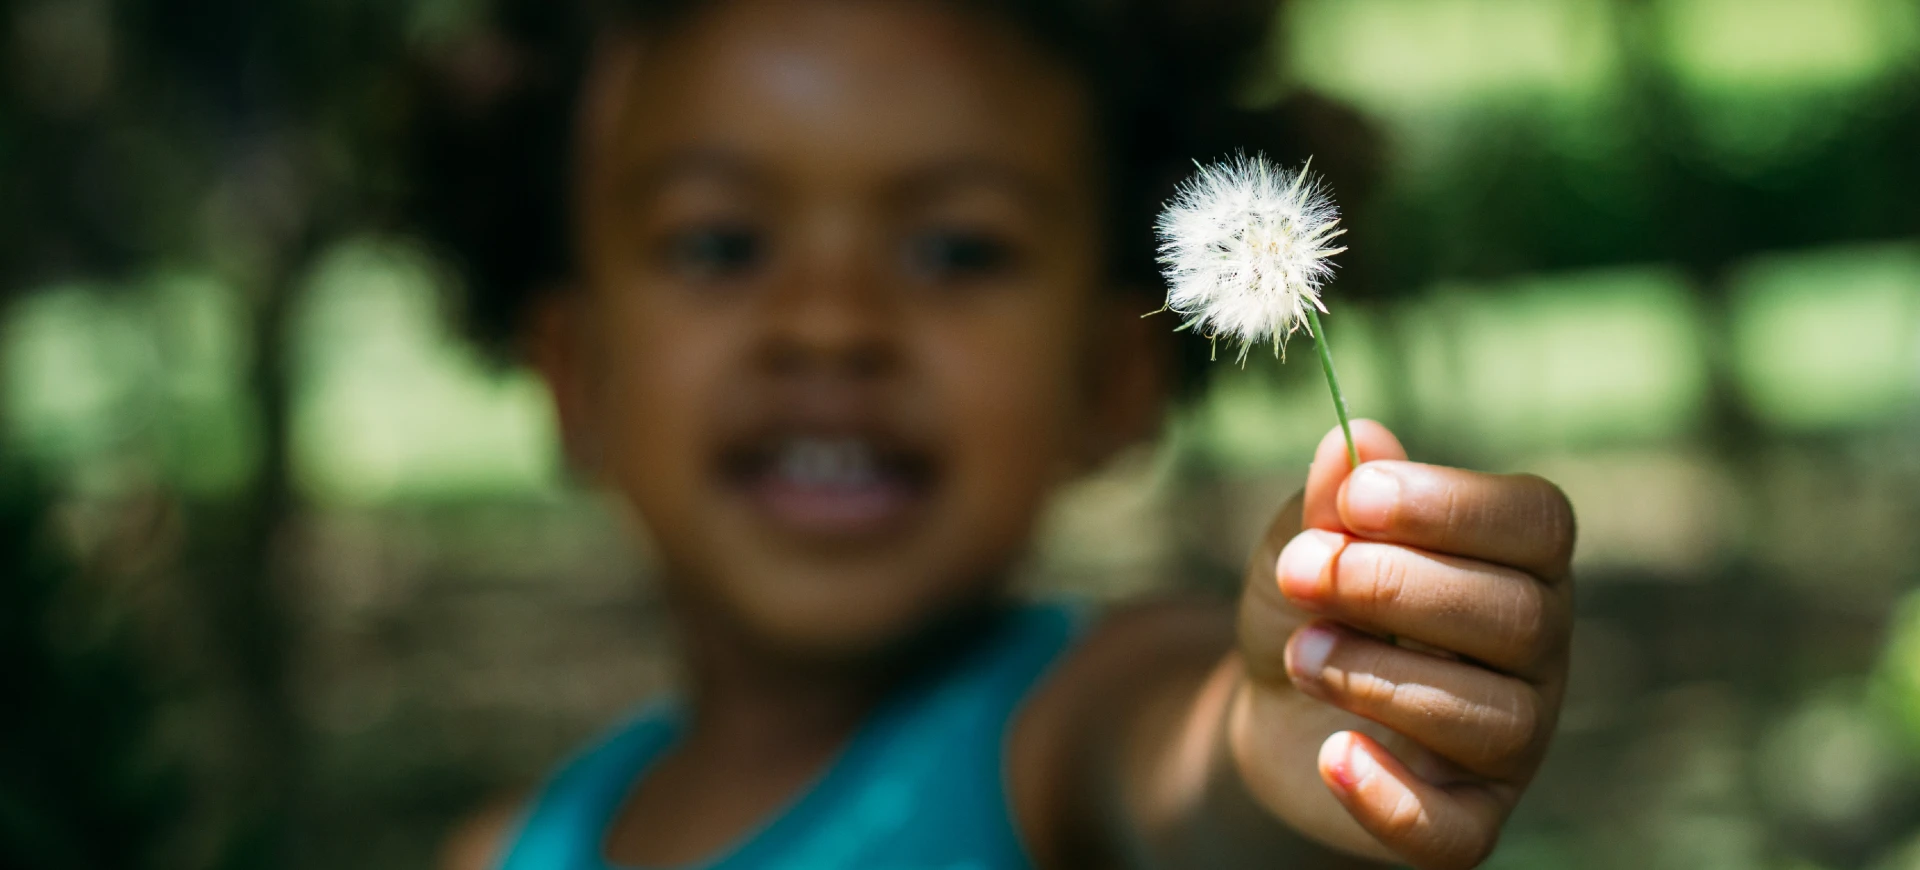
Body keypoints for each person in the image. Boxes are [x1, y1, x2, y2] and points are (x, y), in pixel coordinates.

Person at [413, 1, 1576, 868]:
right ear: (574, 375)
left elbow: (1193, 765)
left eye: (956, 249)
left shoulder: (1079, 729)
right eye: (721, 245)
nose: (831, 324)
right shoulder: (506, 849)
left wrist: (1299, 735)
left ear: (1116, 377)